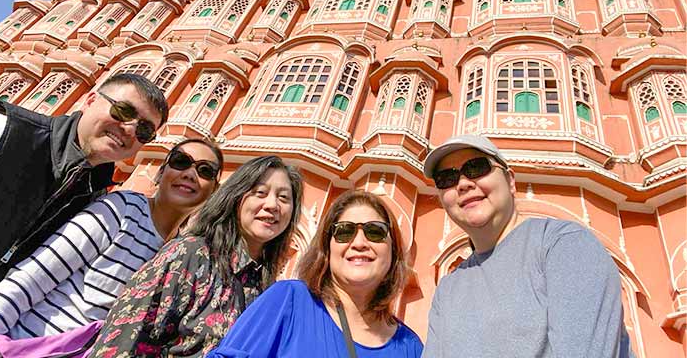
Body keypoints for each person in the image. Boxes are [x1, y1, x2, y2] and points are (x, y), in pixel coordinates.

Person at [420, 134, 633, 358]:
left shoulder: (561, 245)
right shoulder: (448, 289)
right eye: (446, 178)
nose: (463, 184)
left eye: (476, 167)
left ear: (511, 181)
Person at [0, 138, 223, 339]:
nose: (191, 174)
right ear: (160, 172)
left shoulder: (182, 253)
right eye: (181, 162)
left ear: (214, 190)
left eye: (205, 171)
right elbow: (33, 276)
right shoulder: (122, 209)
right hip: (25, 344)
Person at [88, 155, 304, 358]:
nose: (272, 205)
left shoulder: (265, 287)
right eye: (260, 193)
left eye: (284, 198)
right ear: (236, 197)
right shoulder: (190, 255)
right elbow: (123, 339)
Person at [0, 73, 169, 290]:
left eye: (144, 130)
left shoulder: (96, 198)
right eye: (123, 111)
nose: (129, 129)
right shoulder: (3, 130)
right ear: (90, 100)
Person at [208, 191, 423, 358]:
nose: (359, 243)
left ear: (393, 250)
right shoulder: (289, 301)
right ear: (327, 250)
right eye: (344, 231)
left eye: (375, 232)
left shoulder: (410, 347)